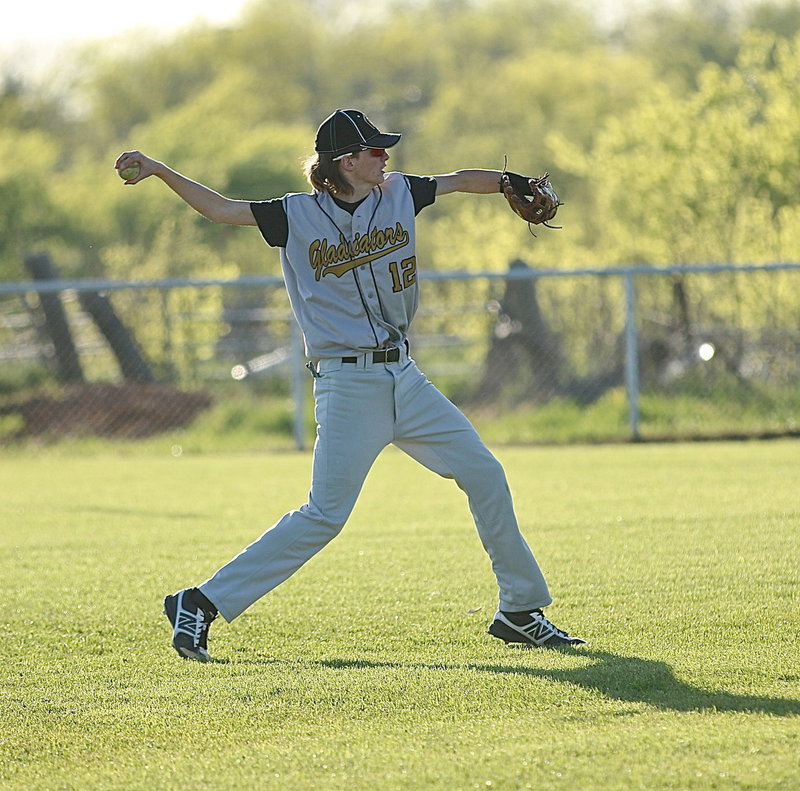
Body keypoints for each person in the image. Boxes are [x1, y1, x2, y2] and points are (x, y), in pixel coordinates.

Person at [116, 108, 585, 661]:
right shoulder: (294, 216)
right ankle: (199, 603)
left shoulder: (400, 194)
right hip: (347, 385)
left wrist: (510, 181)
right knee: (324, 515)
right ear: (345, 163)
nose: (385, 156)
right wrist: (159, 169)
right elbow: (220, 209)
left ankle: (520, 610)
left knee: (484, 472)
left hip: (404, 377)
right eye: (374, 151)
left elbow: (458, 180)